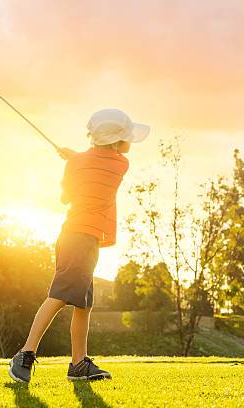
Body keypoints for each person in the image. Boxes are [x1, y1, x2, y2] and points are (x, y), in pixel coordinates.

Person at [8, 108, 149, 383]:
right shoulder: (121, 164)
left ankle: (78, 364)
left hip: (75, 236)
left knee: (83, 304)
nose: (130, 142)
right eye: (127, 137)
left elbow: (65, 197)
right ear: (115, 142)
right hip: (81, 238)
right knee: (60, 295)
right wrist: (76, 158)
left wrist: (74, 160)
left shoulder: (76, 164)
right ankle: (25, 353)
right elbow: (98, 163)